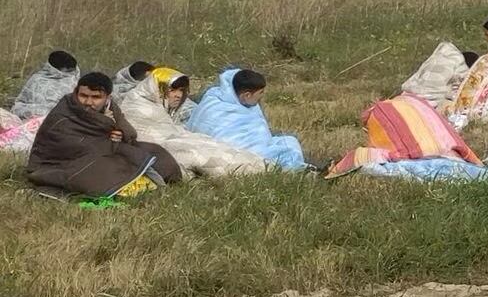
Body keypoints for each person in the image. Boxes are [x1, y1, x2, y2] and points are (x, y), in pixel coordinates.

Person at [28, 72, 184, 198]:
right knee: (104, 170)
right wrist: (108, 142)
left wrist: (120, 134)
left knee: (154, 152)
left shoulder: (111, 108)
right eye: (83, 95)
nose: (88, 102)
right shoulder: (64, 111)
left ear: (107, 97)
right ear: (76, 92)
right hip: (64, 162)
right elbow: (67, 144)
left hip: (104, 151)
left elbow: (130, 134)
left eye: (96, 97)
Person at [187, 68, 309, 171]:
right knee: (287, 152)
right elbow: (231, 142)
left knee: (289, 141)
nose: (262, 97)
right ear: (247, 95)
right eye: (260, 93)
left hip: (253, 145)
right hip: (232, 152)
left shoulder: (235, 99)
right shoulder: (216, 106)